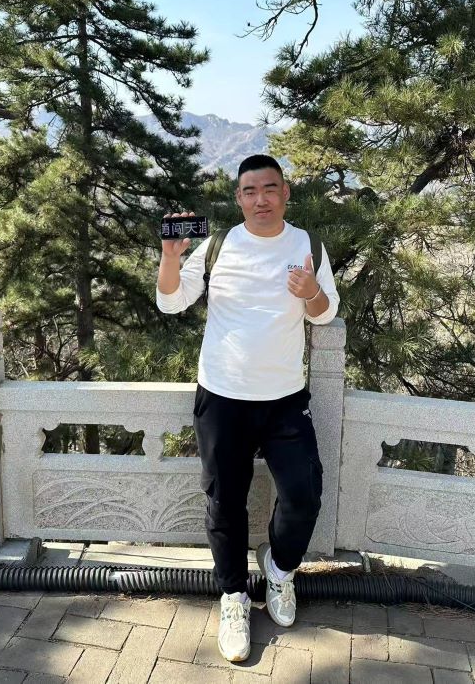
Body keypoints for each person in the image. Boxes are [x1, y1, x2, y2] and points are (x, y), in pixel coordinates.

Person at [156, 154, 340, 662]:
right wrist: (170, 257)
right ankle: (234, 595)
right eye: (250, 191)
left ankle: (279, 571)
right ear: (238, 198)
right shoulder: (218, 246)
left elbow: (325, 315)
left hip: (285, 398)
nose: (261, 199)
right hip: (222, 396)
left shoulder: (307, 245)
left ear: (285, 193)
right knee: (224, 502)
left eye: (270, 189)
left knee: (304, 494)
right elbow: (171, 301)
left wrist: (312, 293)